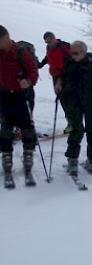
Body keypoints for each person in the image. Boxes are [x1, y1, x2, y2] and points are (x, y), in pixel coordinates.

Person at [56, 41, 92, 175]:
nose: (73, 55)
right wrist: (59, 84)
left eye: (76, 53)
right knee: (76, 130)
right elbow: (61, 76)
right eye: (71, 53)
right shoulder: (69, 63)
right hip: (73, 102)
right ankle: (72, 160)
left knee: (91, 130)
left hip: (90, 101)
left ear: (83, 52)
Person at [0, 25, 39, 188]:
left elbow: (34, 72)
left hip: (22, 95)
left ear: (7, 37)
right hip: (3, 95)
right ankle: (7, 160)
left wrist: (28, 81)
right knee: (6, 128)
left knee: (27, 127)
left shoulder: (21, 52)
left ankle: (28, 157)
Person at [39, 31, 72, 133]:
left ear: (54, 38)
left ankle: (73, 122)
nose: (48, 44)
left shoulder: (64, 47)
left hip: (66, 76)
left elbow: (72, 59)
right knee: (62, 99)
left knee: (68, 99)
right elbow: (47, 58)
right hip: (55, 76)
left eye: (49, 41)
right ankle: (70, 122)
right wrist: (40, 64)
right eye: (46, 42)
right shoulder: (49, 48)